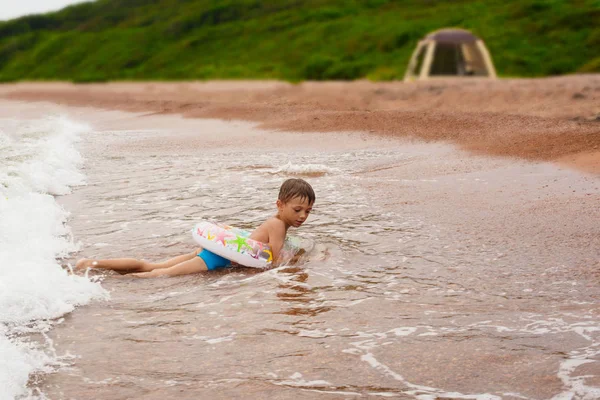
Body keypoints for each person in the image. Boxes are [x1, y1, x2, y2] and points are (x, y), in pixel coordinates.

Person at [75, 178, 315, 277]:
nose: (302, 216)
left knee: (153, 266)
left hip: (215, 253)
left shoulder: (276, 222)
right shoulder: (277, 225)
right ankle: (101, 278)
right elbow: (271, 261)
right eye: (297, 210)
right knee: (155, 276)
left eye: (307, 211)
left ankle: (92, 264)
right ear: (280, 205)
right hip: (214, 258)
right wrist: (296, 263)